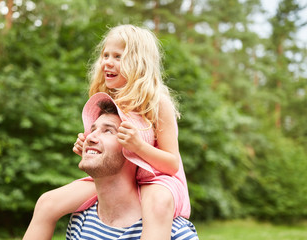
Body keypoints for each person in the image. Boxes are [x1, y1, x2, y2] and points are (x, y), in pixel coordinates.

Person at [23, 24, 190, 240]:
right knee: (47, 203)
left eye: (118, 56)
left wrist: (139, 146)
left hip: (157, 179)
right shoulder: (107, 96)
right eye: (105, 55)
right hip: (121, 178)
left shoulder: (157, 102)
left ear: (138, 63)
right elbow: (109, 152)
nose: (107, 62)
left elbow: (171, 164)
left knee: (157, 204)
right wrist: (87, 147)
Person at [66, 93, 198, 239]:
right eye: (92, 130)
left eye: (108, 131)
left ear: (132, 150)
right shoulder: (80, 222)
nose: (89, 137)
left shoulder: (175, 234)